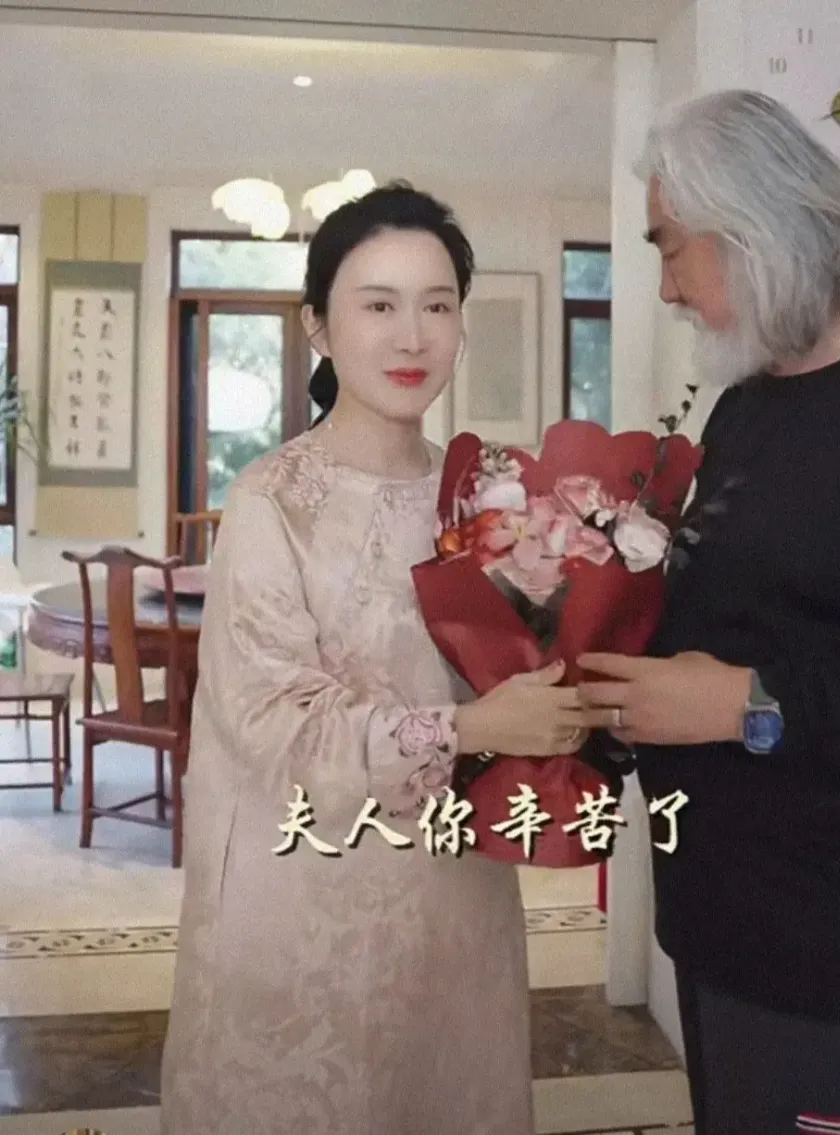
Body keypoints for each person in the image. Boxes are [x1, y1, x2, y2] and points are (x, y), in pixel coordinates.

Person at [578, 90, 840, 1134]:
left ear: (751, 223)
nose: (666, 287)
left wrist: (745, 704)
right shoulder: (748, 404)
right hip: (726, 932)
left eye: (669, 246)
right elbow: (734, 623)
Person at [159, 182, 586, 1135]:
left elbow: (532, 665)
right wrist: (472, 726)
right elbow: (273, 722)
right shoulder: (272, 501)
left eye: (437, 305)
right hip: (302, 898)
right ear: (318, 324)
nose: (412, 336)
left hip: (454, 898)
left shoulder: (489, 497)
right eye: (379, 305)